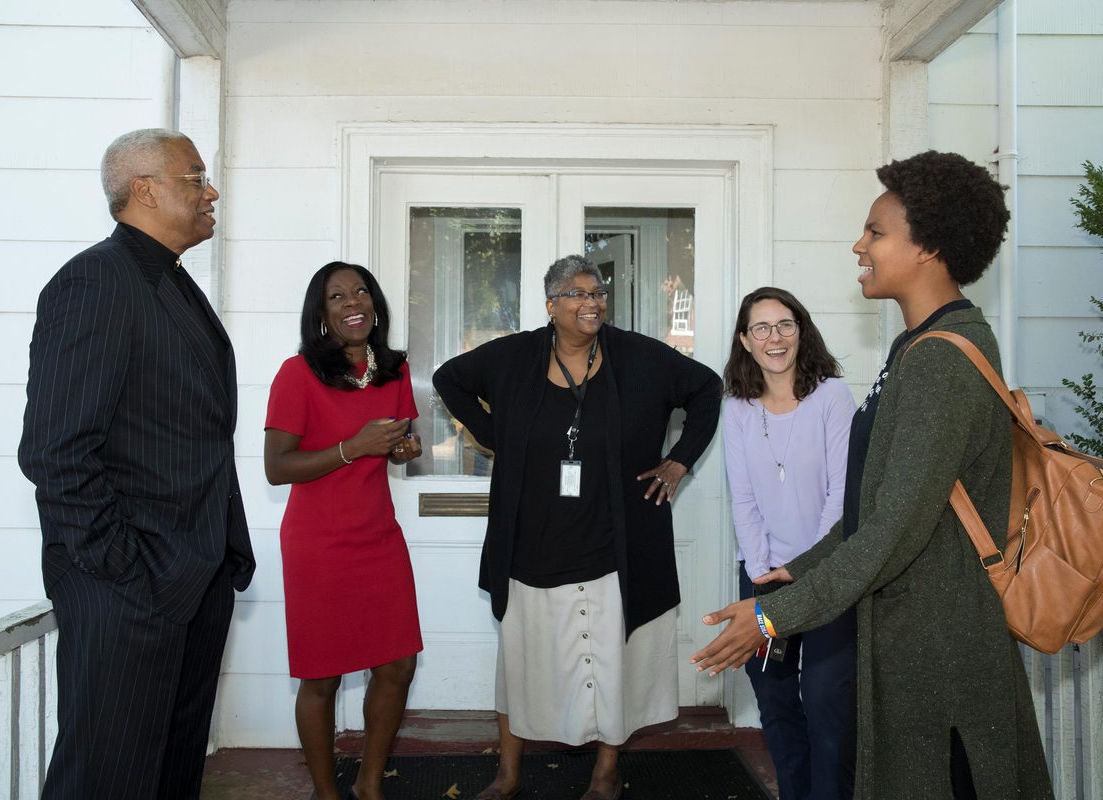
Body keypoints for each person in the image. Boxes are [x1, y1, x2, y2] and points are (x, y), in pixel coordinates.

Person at [691, 151, 1053, 799]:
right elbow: (875, 506)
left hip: (938, 654)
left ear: (929, 248)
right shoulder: (915, 349)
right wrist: (798, 568)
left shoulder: (940, 361)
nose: (859, 245)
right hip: (906, 640)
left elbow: (891, 531)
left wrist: (774, 617)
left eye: (876, 233)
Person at [18, 128, 256, 799]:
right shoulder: (96, 280)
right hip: (131, 589)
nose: (210, 192)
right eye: (194, 177)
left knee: (171, 776)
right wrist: (127, 572)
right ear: (143, 189)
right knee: (108, 779)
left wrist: (214, 561)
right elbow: (55, 449)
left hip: (192, 579)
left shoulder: (171, 283)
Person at [433, 255, 722, 800]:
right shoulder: (516, 356)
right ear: (552, 304)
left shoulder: (638, 356)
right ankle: (509, 774)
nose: (592, 302)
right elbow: (449, 378)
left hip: (617, 540)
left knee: (611, 661)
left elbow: (707, 387)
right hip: (531, 543)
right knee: (520, 660)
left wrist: (680, 459)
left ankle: (606, 773)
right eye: (578, 293)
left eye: (598, 292)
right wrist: (497, 434)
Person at [263, 261, 423, 800]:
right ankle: (328, 794)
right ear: (322, 313)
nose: (352, 301)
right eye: (337, 296)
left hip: (378, 536)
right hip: (318, 545)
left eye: (361, 291)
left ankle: (369, 784)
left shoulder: (395, 372)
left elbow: (398, 449)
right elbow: (277, 467)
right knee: (322, 675)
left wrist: (404, 449)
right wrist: (351, 448)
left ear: (375, 304)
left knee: (398, 663)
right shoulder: (297, 373)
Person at [722, 287, 857, 800]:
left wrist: (806, 569)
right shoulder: (736, 407)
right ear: (745, 340)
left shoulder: (831, 397)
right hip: (762, 576)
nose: (774, 338)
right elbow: (744, 498)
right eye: (761, 328)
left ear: (802, 331)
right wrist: (761, 571)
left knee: (825, 701)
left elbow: (840, 495)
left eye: (784, 325)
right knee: (776, 704)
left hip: (826, 576)